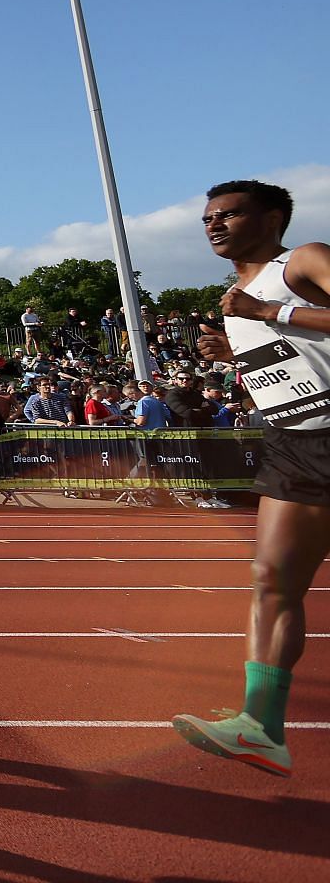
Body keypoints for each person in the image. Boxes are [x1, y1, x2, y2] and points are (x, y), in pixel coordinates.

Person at [174, 180, 330, 776]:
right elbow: (296, 361)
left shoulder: (303, 262)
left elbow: (289, 321)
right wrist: (235, 356)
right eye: (208, 218)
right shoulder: (232, 299)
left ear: (271, 219)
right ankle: (261, 725)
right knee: (271, 579)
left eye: (228, 215)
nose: (213, 225)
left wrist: (271, 312)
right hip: (293, 444)